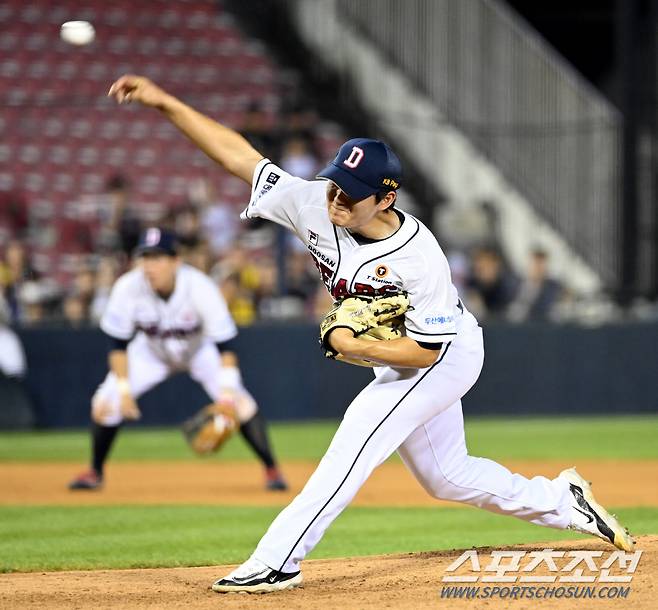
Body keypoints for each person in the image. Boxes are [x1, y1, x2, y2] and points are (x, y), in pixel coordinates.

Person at [108, 75, 634, 594]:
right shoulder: (315, 202)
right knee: (445, 476)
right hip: (397, 356)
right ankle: (564, 502)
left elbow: (426, 352)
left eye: (352, 194)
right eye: (335, 182)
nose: (337, 198)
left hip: (443, 355)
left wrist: (354, 345)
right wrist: (163, 102)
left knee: (356, 437)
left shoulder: (421, 258)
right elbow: (236, 154)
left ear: (385, 198)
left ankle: (277, 559)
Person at [68, 227, 287, 492]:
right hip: (150, 353)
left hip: (199, 352)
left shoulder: (200, 288)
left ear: (176, 261)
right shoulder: (128, 287)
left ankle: (272, 469)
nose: (150, 266)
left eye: (157, 258)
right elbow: (117, 345)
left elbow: (226, 347)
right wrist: (124, 390)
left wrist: (227, 397)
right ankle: (95, 472)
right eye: (145, 257)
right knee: (105, 403)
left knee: (241, 405)